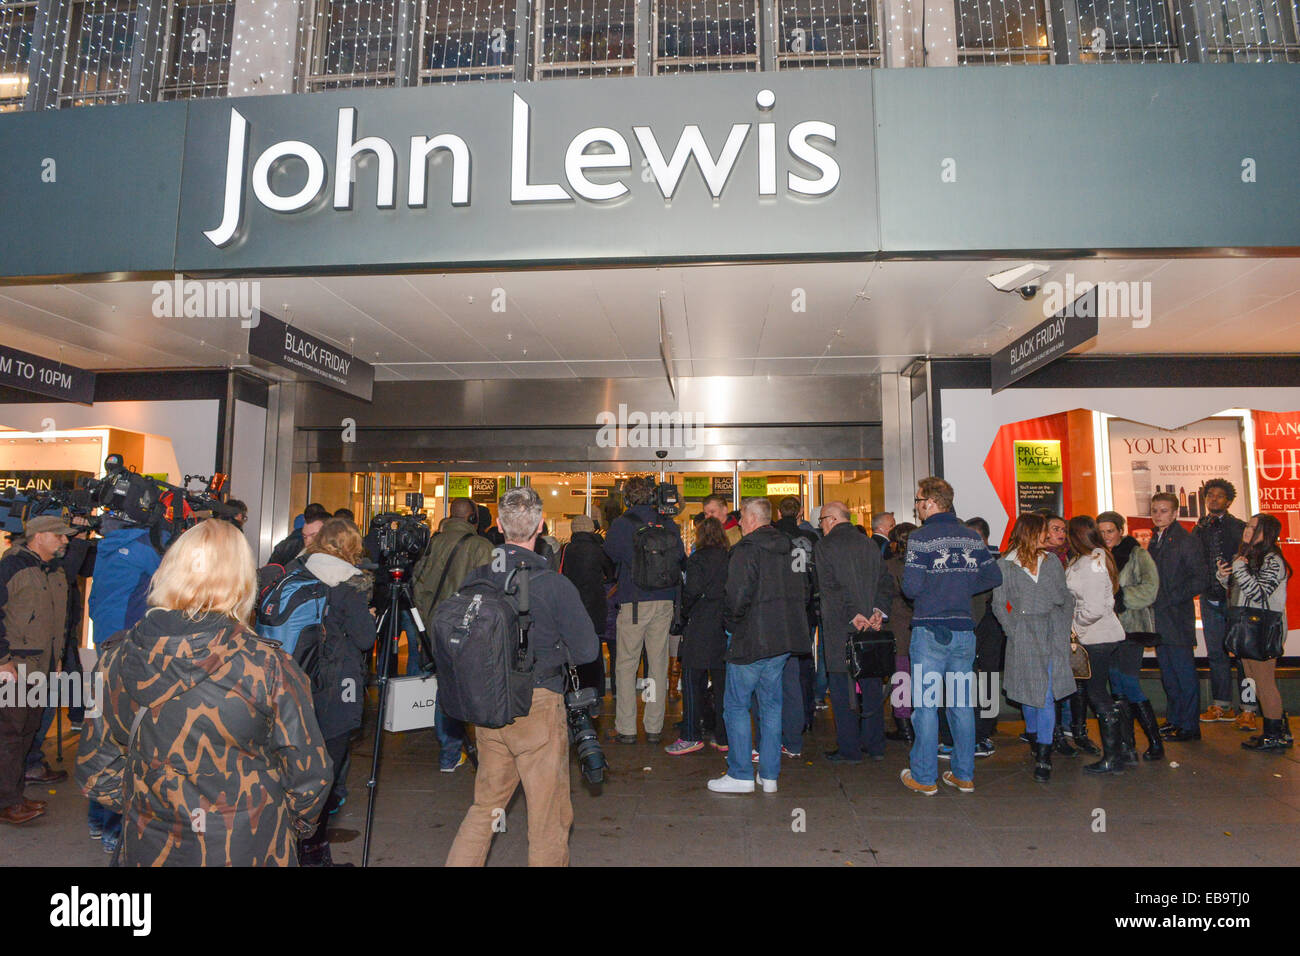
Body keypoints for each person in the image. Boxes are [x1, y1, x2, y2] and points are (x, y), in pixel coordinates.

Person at [76, 518, 333, 865]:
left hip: (149, 845)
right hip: (248, 846)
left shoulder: (115, 659)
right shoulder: (267, 665)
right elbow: (309, 777)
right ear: (241, 581)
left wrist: (156, 808)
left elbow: (97, 769)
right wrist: (279, 822)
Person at [445, 487, 598, 867]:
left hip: (490, 706)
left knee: (486, 808)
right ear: (541, 527)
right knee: (548, 819)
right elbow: (587, 651)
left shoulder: (476, 579)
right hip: (538, 707)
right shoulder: (554, 585)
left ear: (498, 526)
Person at [899, 477, 1001, 796]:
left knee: (927, 706)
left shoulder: (921, 538)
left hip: (931, 631)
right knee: (960, 705)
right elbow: (992, 575)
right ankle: (964, 774)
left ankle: (926, 777)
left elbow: (911, 588)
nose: (917, 507)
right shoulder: (971, 537)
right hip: (963, 632)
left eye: (918, 501)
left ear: (930, 503)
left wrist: (939, 589)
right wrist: (959, 588)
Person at [708, 497, 810, 794]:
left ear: (753, 519)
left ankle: (740, 773)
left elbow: (736, 597)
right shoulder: (793, 548)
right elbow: (803, 591)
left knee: (736, 706)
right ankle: (769, 776)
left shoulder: (746, 549)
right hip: (782, 641)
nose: (738, 523)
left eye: (742, 519)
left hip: (750, 639)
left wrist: (731, 625)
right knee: (771, 706)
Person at [86, 513, 169, 853]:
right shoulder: (144, 548)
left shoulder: (107, 549)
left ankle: (97, 819)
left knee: (105, 735)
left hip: (104, 645)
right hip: (129, 650)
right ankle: (114, 829)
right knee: (129, 741)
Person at [294, 517, 374, 866]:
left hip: (294, 684)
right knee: (326, 772)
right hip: (333, 689)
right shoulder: (347, 584)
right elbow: (365, 639)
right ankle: (313, 854)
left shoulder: (298, 574)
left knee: (297, 768)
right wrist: (367, 616)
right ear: (349, 547)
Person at [0, 515, 73, 825]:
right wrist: (3, 660)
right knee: (10, 734)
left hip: (41, 667)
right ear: (39, 536)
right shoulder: (13, 565)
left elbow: (57, 620)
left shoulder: (53, 569)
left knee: (28, 732)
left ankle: (13, 796)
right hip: (14, 666)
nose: (65, 541)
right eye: (59, 536)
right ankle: (6, 803)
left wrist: (57, 661)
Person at [411, 497, 494, 772]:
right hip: (465, 629)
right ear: (473, 519)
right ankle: (459, 751)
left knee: (444, 685)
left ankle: (449, 751)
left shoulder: (433, 543)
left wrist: (426, 620)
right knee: (468, 687)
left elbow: (418, 583)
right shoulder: (482, 547)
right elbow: (491, 592)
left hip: (434, 625)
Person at [992, 514, 1075, 783]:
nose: (1048, 535)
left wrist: (1062, 627)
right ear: (1030, 532)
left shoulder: (1051, 562)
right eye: (1043, 531)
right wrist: (1013, 630)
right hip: (1024, 632)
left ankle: (1043, 754)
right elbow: (998, 604)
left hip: (1051, 630)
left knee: (1047, 692)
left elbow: (1065, 597)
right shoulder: (1005, 565)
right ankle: (1034, 735)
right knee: (1030, 693)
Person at [603, 476, 684, 745]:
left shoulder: (622, 524)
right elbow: (680, 556)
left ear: (627, 498)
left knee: (627, 665)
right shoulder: (667, 523)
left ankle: (627, 727)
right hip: (664, 601)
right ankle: (653, 725)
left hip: (634, 601)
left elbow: (611, 554)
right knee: (657, 664)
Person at [815, 501, 894, 763]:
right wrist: (877, 612)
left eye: (823, 520)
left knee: (841, 690)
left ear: (833, 519)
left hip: (841, 628)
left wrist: (853, 614)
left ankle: (849, 749)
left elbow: (830, 588)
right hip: (870, 629)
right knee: (870, 685)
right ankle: (876, 745)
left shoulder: (825, 547)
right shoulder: (869, 544)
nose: (821, 525)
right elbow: (885, 581)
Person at [1218, 514, 1291, 751]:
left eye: (1253, 527)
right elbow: (1242, 592)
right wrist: (1224, 578)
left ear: (1266, 532)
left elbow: (1259, 593)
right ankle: (1277, 729)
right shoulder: (1250, 556)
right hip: (1248, 627)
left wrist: (1239, 568)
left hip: (1263, 629)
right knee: (1254, 679)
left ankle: (1274, 734)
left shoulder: (1272, 560)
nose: (1247, 530)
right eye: (1247, 526)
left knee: (1264, 681)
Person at [1096, 511, 1164, 761]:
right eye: (1101, 532)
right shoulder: (1097, 557)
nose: (1106, 536)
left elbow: (1151, 588)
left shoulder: (1137, 554)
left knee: (1129, 683)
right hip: (1106, 630)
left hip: (1131, 629)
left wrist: (1120, 598)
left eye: (1110, 531)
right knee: (1116, 686)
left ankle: (1155, 741)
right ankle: (1128, 745)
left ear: (1120, 531)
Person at [1066, 516, 1129, 774]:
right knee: (1101, 693)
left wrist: (1074, 627)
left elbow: (1094, 608)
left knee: (1097, 694)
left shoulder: (1091, 563)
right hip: (1099, 635)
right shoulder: (1092, 559)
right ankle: (1123, 750)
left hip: (1096, 636)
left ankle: (1113, 757)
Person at [1148, 491, 1211, 742]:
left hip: (1176, 616)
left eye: (1163, 511)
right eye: (1154, 510)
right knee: (1168, 674)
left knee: (1184, 673)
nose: (1157, 515)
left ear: (1175, 513)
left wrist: (1171, 597)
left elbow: (1200, 579)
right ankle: (1174, 720)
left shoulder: (1186, 540)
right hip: (1160, 617)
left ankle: (1189, 726)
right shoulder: (1157, 538)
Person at [667, 516, 730, 755]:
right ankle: (723, 737)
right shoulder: (729, 557)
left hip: (700, 625)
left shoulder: (697, 559)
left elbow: (691, 590)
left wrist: (682, 614)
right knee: (723, 687)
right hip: (722, 627)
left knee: (693, 682)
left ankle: (691, 735)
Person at [1194, 480, 1249, 728]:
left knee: (1243, 655)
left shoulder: (1240, 528)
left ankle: (1248, 707)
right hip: (1209, 598)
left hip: (1236, 600)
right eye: (1210, 495)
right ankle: (1221, 704)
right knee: (1216, 653)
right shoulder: (1198, 529)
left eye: (1219, 496)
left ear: (1228, 501)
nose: (1213, 499)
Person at [773, 495, 817, 756]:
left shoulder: (775, 537)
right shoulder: (811, 539)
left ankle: (779, 729)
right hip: (805, 608)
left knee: (779, 674)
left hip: (781, 609)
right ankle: (805, 716)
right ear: (800, 513)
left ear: (779, 513)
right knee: (802, 667)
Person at [559, 514, 614, 699]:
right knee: (595, 648)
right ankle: (596, 691)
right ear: (591, 529)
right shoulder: (599, 550)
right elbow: (611, 573)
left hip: (572, 606)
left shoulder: (566, 549)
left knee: (573, 649)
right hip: (595, 605)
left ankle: (575, 688)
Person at [883, 522, 917, 743]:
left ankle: (904, 726)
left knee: (901, 678)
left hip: (897, 627)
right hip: (921, 628)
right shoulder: (925, 564)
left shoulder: (888, 566)